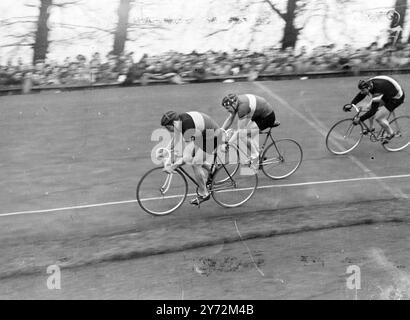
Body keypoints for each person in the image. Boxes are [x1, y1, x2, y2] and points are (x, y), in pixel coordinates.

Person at [160, 110, 222, 206]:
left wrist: (173, 166)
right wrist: (165, 151)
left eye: (168, 128)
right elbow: (175, 139)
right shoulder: (178, 122)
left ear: (173, 123)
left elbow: (187, 158)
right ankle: (212, 169)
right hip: (203, 133)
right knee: (190, 155)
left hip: (212, 135)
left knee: (195, 163)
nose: (168, 130)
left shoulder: (187, 125)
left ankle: (204, 194)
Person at [220, 93, 277, 170]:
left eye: (228, 108)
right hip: (259, 114)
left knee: (243, 134)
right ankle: (258, 155)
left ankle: (256, 157)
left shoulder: (242, 108)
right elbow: (230, 118)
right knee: (247, 133)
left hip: (267, 117)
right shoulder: (236, 103)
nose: (227, 110)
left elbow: (239, 131)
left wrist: (228, 144)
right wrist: (221, 130)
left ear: (234, 103)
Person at [346, 76, 405, 143]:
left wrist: (360, 119)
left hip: (396, 98)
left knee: (379, 118)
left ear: (368, 87)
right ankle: (371, 128)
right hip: (388, 92)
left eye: (362, 90)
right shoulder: (368, 83)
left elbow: (373, 111)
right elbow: (361, 94)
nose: (361, 92)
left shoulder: (377, 90)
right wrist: (351, 104)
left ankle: (391, 133)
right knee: (369, 107)